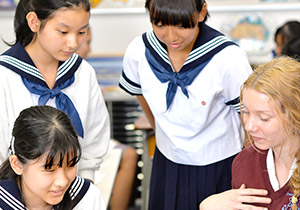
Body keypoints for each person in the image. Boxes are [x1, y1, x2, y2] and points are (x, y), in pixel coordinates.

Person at [118, 0, 253, 209]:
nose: (171, 36)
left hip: (219, 164)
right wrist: (162, 132)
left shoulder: (228, 57)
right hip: (167, 162)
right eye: (160, 24)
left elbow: (248, 116)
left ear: (201, 12)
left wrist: (249, 167)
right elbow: (140, 93)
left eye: (181, 25)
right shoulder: (139, 51)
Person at [0, 0, 110, 182]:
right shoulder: (5, 75)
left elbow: (94, 138)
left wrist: (84, 185)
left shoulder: (82, 72)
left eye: (81, 32)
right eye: (63, 32)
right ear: (34, 22)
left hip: (71, 191)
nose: (73, 42)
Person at [200, 56, 300, 209]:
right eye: (246, 112)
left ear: (295, 116)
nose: (249, 127)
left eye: (264, 118)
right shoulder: (245, 162)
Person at [76, 28, 138, 210]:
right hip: (73, 140)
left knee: (127, 153)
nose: (89, 49)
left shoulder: (84, 72)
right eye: (87, 42)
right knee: (128, 154)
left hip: (86, 138)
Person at [0, 105, 106, 210]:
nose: (62, 182)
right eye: (49, 169)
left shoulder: (88, 198)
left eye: (71, 165)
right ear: (17, 165)